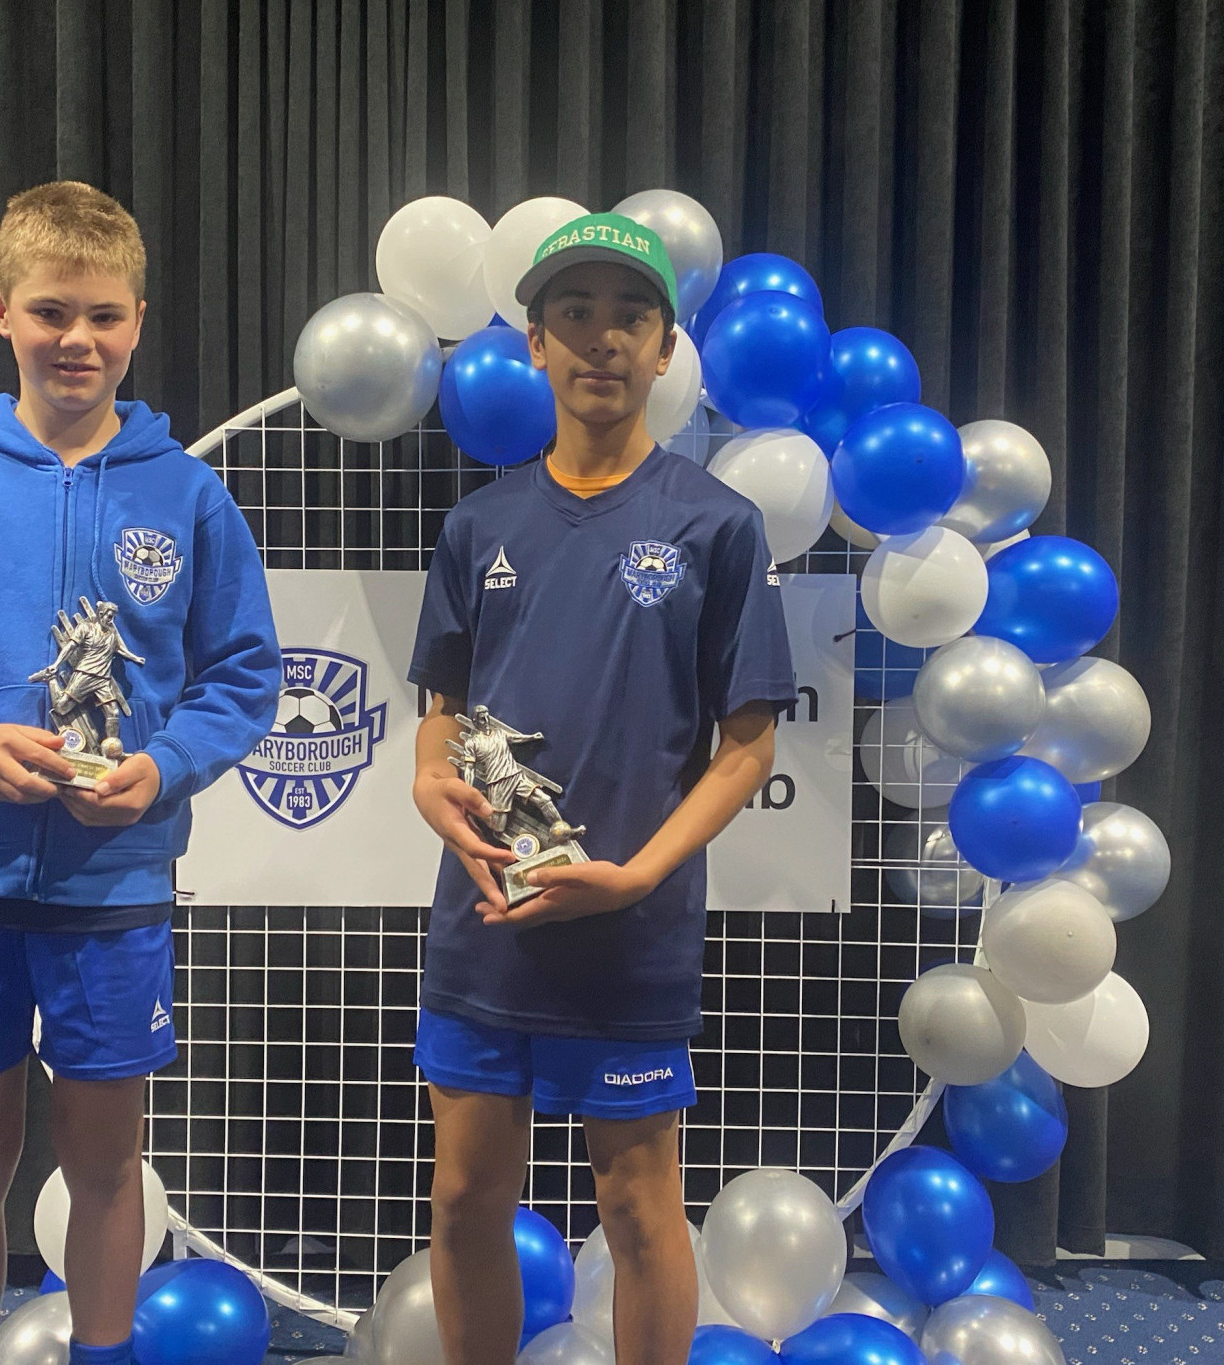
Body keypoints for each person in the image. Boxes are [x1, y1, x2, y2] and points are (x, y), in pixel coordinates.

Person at [0, 181, 280, 1365]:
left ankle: (104, 1356)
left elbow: (240, 676)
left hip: (112, 885)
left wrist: (166, 766)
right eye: (51, 311)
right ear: (1, 313)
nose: (78, 339)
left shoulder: (187, 494)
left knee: (102, 1158)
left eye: (104, 316)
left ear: (137, 323)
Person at [407, 213, 796, 1365]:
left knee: (636, 1209)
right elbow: (438, 724)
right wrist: (432, 789)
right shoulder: (477, 523)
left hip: (631, 936)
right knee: (466, 1199)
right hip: (487, 928)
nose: (600, 340)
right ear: (533, 342)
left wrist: (629, 878)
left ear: (666, 348)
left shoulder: (715, 525)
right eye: (573, 315)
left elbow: (745, 750)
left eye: (629, 316)